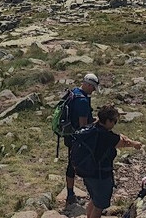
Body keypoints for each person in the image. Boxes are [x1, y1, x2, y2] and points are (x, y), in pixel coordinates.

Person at [77, 104, 143, 218]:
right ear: (107, 121)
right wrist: (135, 144)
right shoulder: (108, 137)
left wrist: (124, 138)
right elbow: (123, 143)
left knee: (94, 198)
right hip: (100, 175)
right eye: (114, 121)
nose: (114, 124)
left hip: (86, 171)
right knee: (99, 206)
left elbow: (120, 138)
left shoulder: (92, 128)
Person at [64, 73, 99, 205]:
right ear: (88, 85)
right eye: (93, 88)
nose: (94, 91)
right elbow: (83, 126)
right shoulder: (83, 101)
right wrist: (97, 122)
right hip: (78, 139)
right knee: (83, 164)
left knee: (71, 164)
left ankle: (70, 193)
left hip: (69, 135)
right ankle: (90, 195)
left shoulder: (74, 92)